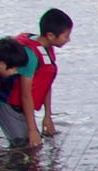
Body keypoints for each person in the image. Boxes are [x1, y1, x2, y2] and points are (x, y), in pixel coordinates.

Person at [7, 9, 72, 143]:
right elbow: (25, 94)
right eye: (66, 36)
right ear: (50, 36)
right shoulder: (30, 55)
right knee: (25, 143)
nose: (68, 40)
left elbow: (46, 82)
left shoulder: (47, 49)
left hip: (23, 105)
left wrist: (47, 116)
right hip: (9, 104)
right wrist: (32, 130)